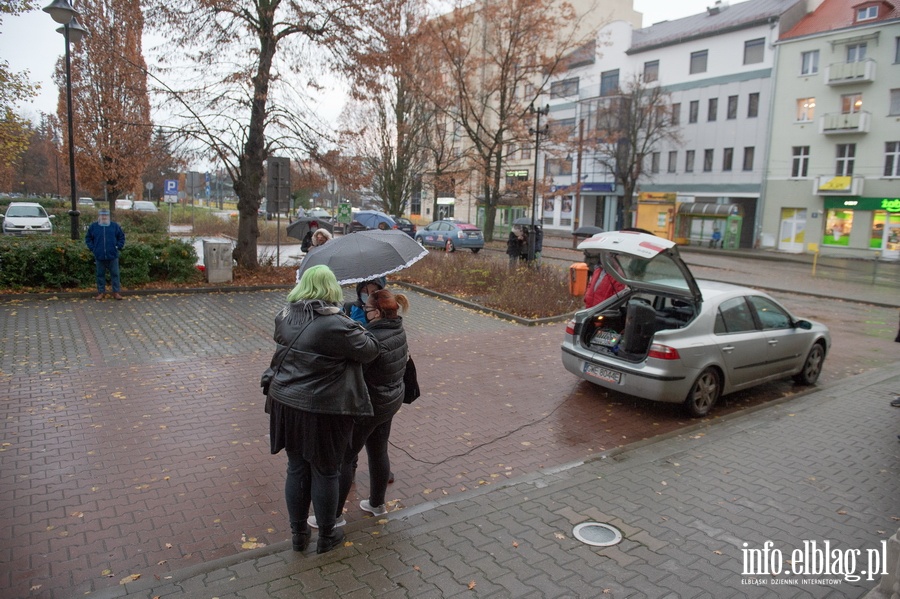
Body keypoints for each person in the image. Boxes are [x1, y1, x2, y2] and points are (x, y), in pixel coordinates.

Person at [262, 265, 380, 554]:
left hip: (286, 404)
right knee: (326, 470)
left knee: (297, 467)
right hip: (323, 409)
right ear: (331, 289)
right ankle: (327, 536)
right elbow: (370, 350)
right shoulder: (335, 324)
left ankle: (298, 535)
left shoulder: (284, 316)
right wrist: (351, 322)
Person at [333, 288, 410, 522]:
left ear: (376, 312)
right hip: (390, 401)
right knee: (378, 452)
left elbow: (356, 370)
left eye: (366, 309)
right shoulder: (398, 328)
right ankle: (377, 504)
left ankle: (333, 516)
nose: (363, 312)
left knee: (346, 456)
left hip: (370, 406)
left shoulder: (373, 339)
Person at [85, 209, 126, 301]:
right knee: (100, 274)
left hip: (113, 255)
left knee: (115, 274)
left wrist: (118, 246)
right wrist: (93, 248)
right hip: (99, 255)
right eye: (102, 215)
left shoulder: (114, 226)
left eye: (106, 215)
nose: (104, 217)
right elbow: (88, 238)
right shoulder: (94, 227)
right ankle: (101, 292)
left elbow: (121, 237)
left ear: (108, 216)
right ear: (99, 216)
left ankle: (116, 292)